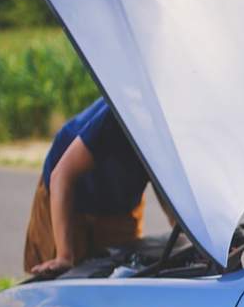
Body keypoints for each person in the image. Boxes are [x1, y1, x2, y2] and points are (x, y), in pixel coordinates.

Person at [24, 97, 161, 276]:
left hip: (120, 203)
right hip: (67, 192)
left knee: (121, 275)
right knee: (60, 276)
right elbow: (62, 176)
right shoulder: (120, 114)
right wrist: (64, 255)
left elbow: (169, 188)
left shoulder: (178, 130)